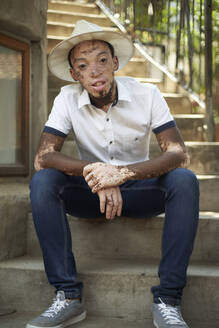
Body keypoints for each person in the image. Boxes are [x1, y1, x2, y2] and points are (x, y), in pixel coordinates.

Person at [26, 20, 199, 328]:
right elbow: (43, 157)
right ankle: (68, 296)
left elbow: (178, 153)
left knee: (184, 180)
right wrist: (95, 171)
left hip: (140, 190)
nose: (94, 70)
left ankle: (168, 300)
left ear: (115, 63)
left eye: (102, 60)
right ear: (75, 75)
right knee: (43, 181)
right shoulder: (66, 98)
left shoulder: (147, 94)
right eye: (83, 65)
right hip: (89, 193)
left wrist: (121, 174)